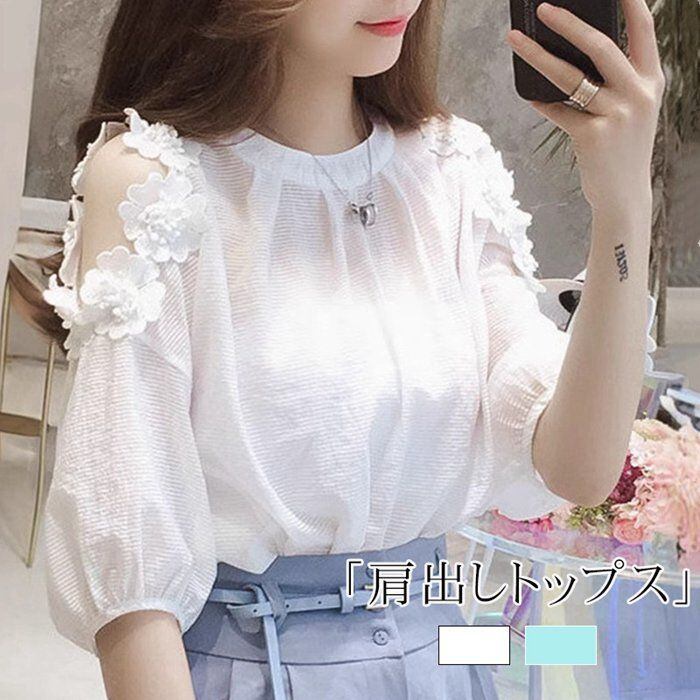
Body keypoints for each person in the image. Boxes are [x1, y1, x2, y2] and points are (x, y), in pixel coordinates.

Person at [33, 0, 664, 698]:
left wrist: (623, 204)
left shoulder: (451, 169)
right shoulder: (157, 184)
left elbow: (580, 466)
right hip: (256, 666)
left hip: (442, 663)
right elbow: (129, 559)